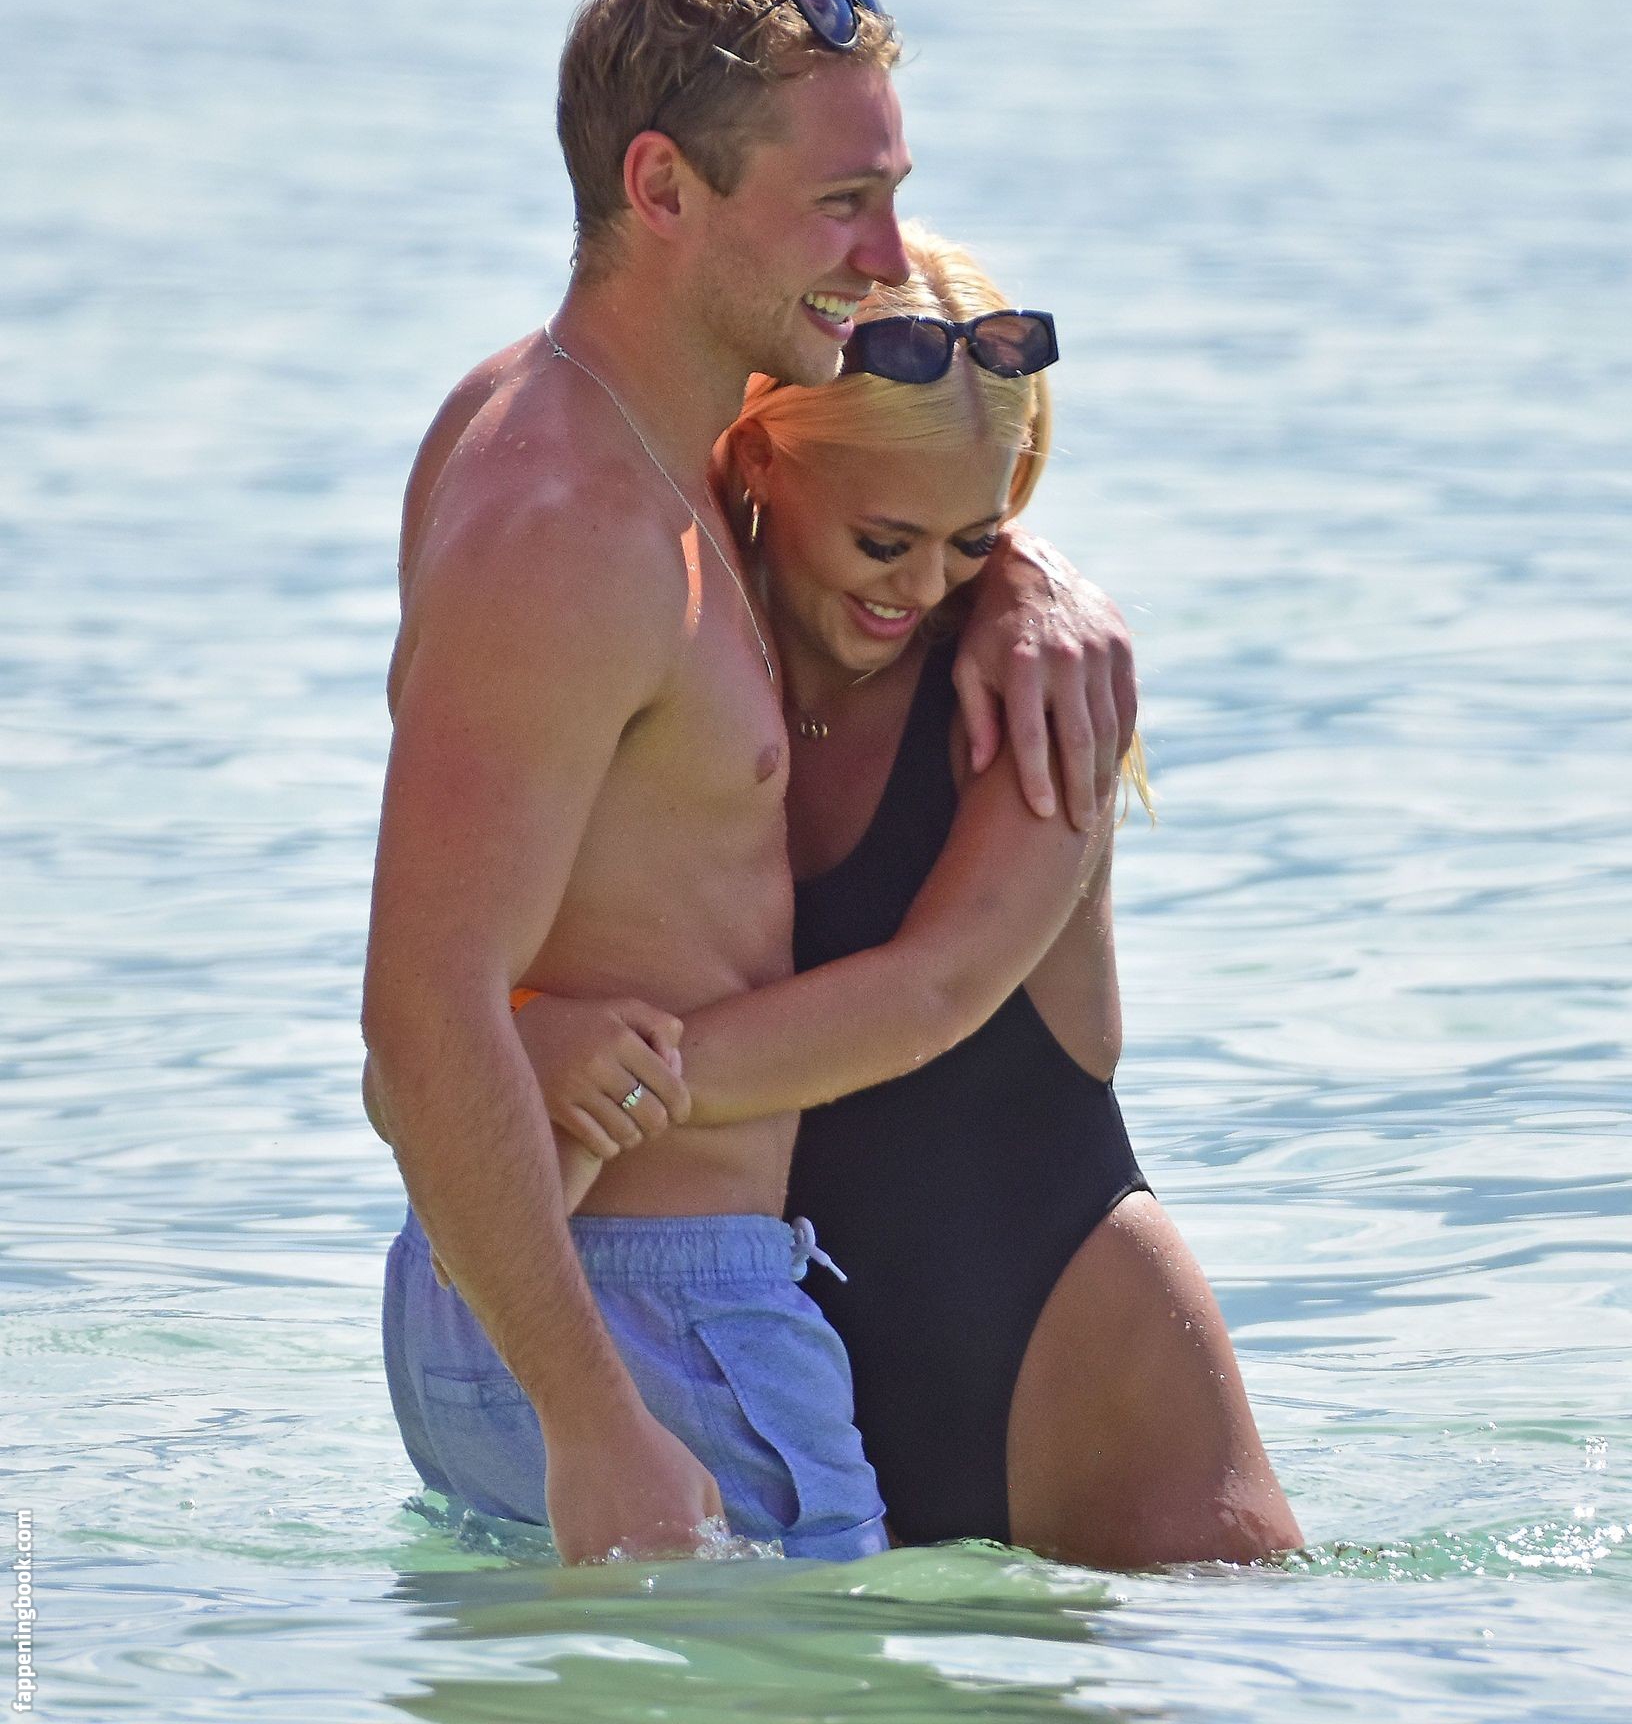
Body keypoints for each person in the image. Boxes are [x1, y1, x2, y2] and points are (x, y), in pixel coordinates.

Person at [363, 0, 1140, 1568]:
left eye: (893, 195)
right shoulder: (575, 525)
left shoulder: (566, 425)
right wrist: (593, 1423)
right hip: (645, 1327)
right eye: (842, 202)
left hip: (525, 1294)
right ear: (661, 188)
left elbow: (867, 480)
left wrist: (1024, 574)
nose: (886, 255)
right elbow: (420, 1016)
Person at [513, 226, 1303, 1568]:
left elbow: (934, 989)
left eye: (975, 541)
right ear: (761, 461)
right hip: (786, 1389)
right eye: (886, 542)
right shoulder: (666, 649)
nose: (927, 588)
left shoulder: (1037, 694)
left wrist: (608, 1088)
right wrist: (523, 1042)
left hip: (1080, 1380)